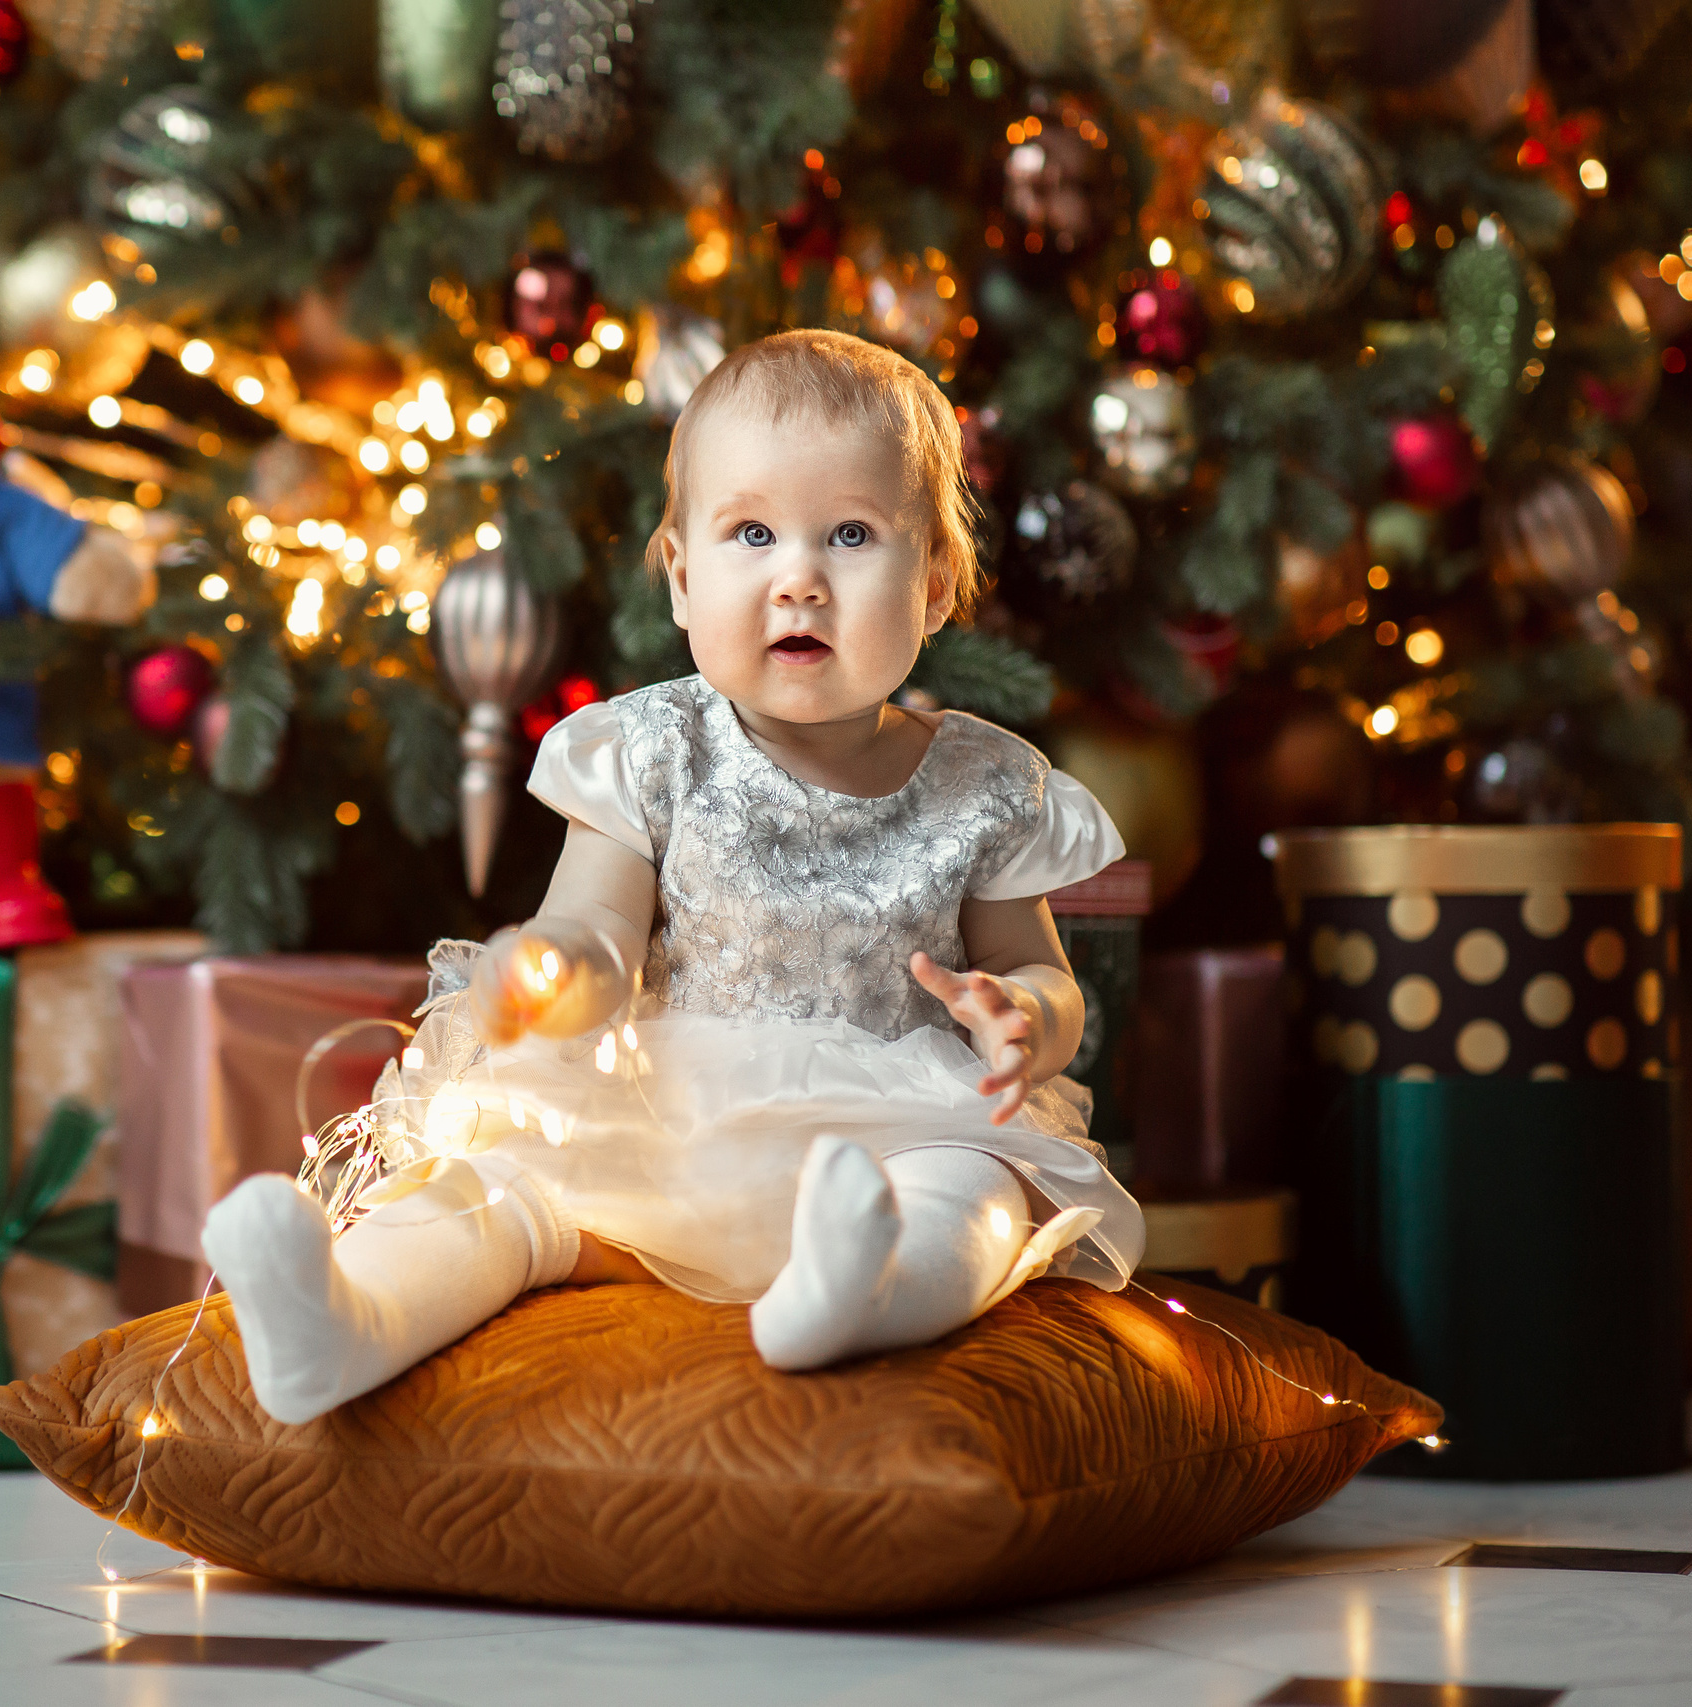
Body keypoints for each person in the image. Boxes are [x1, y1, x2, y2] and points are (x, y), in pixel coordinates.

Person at [205, 329, 1143, 1425]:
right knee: (496, 1185)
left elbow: (1040, 972)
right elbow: (594, 932)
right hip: (670, 1114)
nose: (799, 579)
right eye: (753, 533)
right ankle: (342, 1320)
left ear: (934, 585)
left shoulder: (984, 784)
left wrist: (1025, 1017)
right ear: (685, 582)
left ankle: (866, 1288)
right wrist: (553, 973)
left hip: (899, 1120)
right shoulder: (649, 754)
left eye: (850, 534)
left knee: (977, 1193)